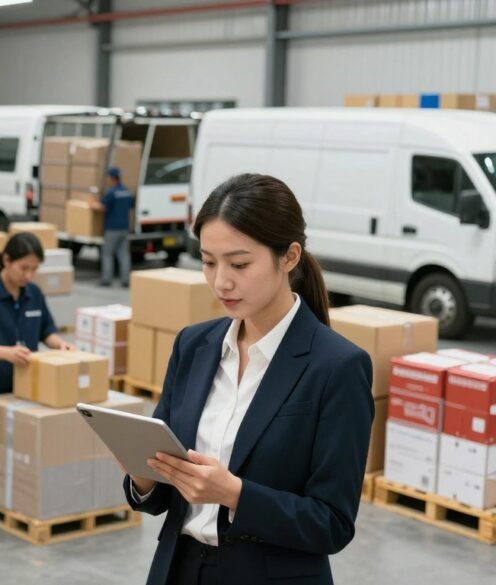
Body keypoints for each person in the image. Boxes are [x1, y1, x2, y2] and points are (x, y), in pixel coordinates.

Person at [123, 173, 374, 585]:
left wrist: (234, 494)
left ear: (289, 257)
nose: (221, 281)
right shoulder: (193, 345)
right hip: (180, 569)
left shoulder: (337, 367)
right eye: (207, 261)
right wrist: (143, 473)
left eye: (239, 264)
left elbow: (332, 523)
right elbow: (165, 493)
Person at [0, 232, 75, 526]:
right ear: (7, 260)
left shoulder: (33, 294)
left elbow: (45, 330)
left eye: (34, 269)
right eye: (24, 268)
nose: (29, 275)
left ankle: (7, 497)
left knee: (19, 449)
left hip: (24, 390)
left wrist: (59, 344)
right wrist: (6, 353)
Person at [90, 166, 134, 287]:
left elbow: (102, 207)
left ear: (111, 178)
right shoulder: (127, 191)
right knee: (124, 255)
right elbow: (130, 207)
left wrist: (91, 204)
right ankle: (126, 280)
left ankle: (106, 279)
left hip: (112, 229)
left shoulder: (111, 193)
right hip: (124, 228)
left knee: (107, 254)